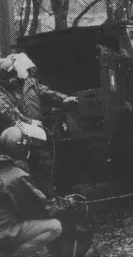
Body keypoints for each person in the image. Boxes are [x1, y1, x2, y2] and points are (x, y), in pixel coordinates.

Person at [0, 126, 97, 257]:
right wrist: (68, 203)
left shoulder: (5, 168)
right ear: (21, 149)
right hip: (5, 232)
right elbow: (43, 208)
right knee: (55, 226)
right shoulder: (16, 176)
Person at [0, 52, 78, 198]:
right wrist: (28, 122)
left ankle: (49, 200)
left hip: (37, 134)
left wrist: (64, 98)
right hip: (17, 137)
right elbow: (7, 110)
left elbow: (47, 92)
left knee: (45, 166)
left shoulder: (31, 83)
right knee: (21, 169)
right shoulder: (3, 89)